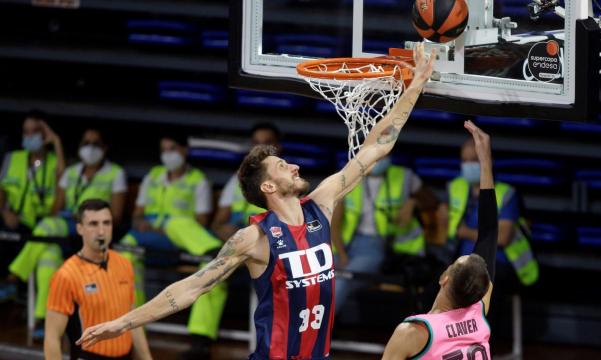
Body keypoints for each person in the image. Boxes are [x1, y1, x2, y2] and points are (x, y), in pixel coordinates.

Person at [75, 44, 436, 360]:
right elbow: (190, 287)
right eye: (283, 166)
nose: (294, 165)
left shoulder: (321, 204)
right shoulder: (254, 239)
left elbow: (376, 146)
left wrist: (416, 84)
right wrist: (123, 322)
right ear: (268, 187)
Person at [382, 120, 496, 360]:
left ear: (444, 278)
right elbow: (488, 233)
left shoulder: (413, 332)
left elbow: (487, 234)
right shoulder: (479, 314)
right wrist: (485, 161)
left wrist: (484, 159)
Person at [8, 128, 127, 338]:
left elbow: (116, 217)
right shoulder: (72, 172)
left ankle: (15, 275)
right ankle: (45, 320)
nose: (90, 148)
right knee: (47, 257)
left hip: (93, 231)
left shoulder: (115, 173)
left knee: (46, 228)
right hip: (68, 227)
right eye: (86, 143)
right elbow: (56, 209)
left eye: (96, 143)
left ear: (105, 148)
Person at [119, 133, 223, 359]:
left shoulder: (198, 179)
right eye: (164, 149)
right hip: (152, 239)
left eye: (172, 149)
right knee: (125, 249)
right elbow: (136, 216)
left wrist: (167, 227)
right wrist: (142, 223)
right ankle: (130, 326)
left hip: (184, 241)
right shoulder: (153, 176)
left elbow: (202, 221)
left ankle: (213, 253)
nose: (168, 154)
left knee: (179, 225)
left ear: (184, 151)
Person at [45, 199, 152, 360]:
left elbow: (132, 322)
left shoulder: (124, 264)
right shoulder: (66, 275)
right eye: (93, 224)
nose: (101, 231)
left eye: (107, 223)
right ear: (80, 228)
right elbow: (52, 338)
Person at [331, 155, 425, 314]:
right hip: (343, 245)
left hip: (376, 246)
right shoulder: (349, 177)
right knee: (317, 277)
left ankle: (316, 331)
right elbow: (335, 222)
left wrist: (413, 202)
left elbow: (431, 201)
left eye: (385, 154)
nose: (379, 158)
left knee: (342, 279)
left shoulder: (404, 176)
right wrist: (342, 254)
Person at [445, 137, 538, 287]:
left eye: (474, 160)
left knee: (476, 287)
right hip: (463, 261)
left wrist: (466, 232)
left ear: (489, 161)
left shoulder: (506, 194)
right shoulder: (456, 187)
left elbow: (502, 238)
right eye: (465, 160)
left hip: (499, 263)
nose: (468, 165)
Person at [0, 111, 65, 300]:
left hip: (37, 224)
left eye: (35, 131)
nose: (30, 136)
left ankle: (12, 281)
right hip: (9, 219)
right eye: (26, 131)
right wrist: (4, 212)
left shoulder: (55, 162)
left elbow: (64, 187)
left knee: (39, 240)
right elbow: (1, 190)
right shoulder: (13, 158)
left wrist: (57, 143)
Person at [212, 122, 281, 241]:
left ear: (278, 147)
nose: (261, 148)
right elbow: (218, 224)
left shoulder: (288, 180)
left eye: (267, 143)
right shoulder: (238, 177)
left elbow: (288, 228)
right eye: (256, 143)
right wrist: (225, 231)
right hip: (234, 241)